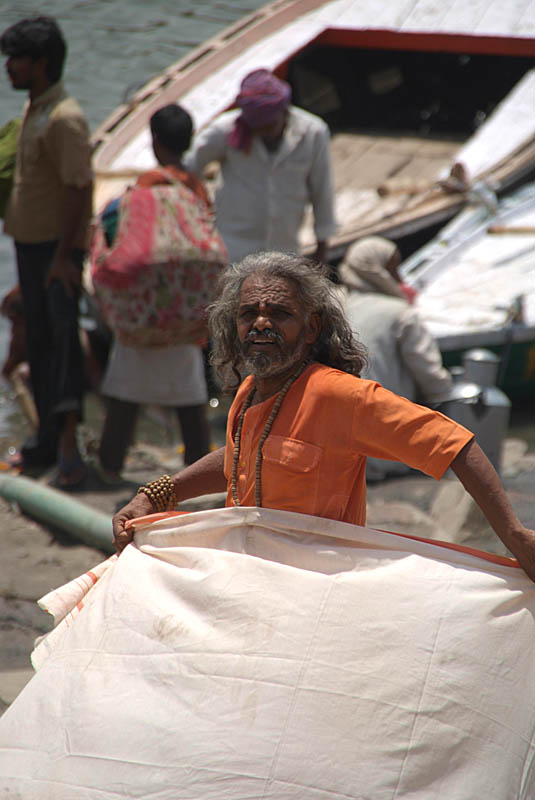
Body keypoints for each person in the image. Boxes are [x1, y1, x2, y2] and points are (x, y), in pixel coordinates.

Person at [110, 251, 535, 583]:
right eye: (248, 313)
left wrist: (515, 536)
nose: (260, 323)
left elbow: (456, 445)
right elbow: (237, 459)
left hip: (320, 589)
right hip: (247, 576)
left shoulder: (339, 395)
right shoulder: (249, 390)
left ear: (311, 328)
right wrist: (158, 493)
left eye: (278, 313)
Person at [95, 104, 217, 482]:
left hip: (142, 308)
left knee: (124, 387)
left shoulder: (143, 187)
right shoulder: (196, 189)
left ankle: (110, 467)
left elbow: (118, 229)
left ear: (154, 141)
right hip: (185, 312)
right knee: (190, 394)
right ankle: (198, 474)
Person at [1, 16, 92, 487]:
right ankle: (42, 448)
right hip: (32, 249)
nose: (8, 67)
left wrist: (62, 259)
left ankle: (70, 454)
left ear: (40, 63)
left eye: (16, 59)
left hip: (55, 254)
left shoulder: (64, 118)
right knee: (38, 342)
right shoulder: (36, 111)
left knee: (61, 351)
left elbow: (80, 189)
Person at [184, 68, 336, 263]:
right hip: (233, 249)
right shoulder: (226, 130)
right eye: (258, 128)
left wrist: (322, 250)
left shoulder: (313, 133)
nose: (264, 133)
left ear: (284, 111)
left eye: (270, 126)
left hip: (284, 249)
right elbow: (188, 169)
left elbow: (322, 191)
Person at [339, 235, 453, 480]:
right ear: (375, 270)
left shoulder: (329, 303)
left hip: (333, 448)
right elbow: (434, 381)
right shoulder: (400, 313)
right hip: (381, 454)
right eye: (392, 269)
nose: (400, 279)